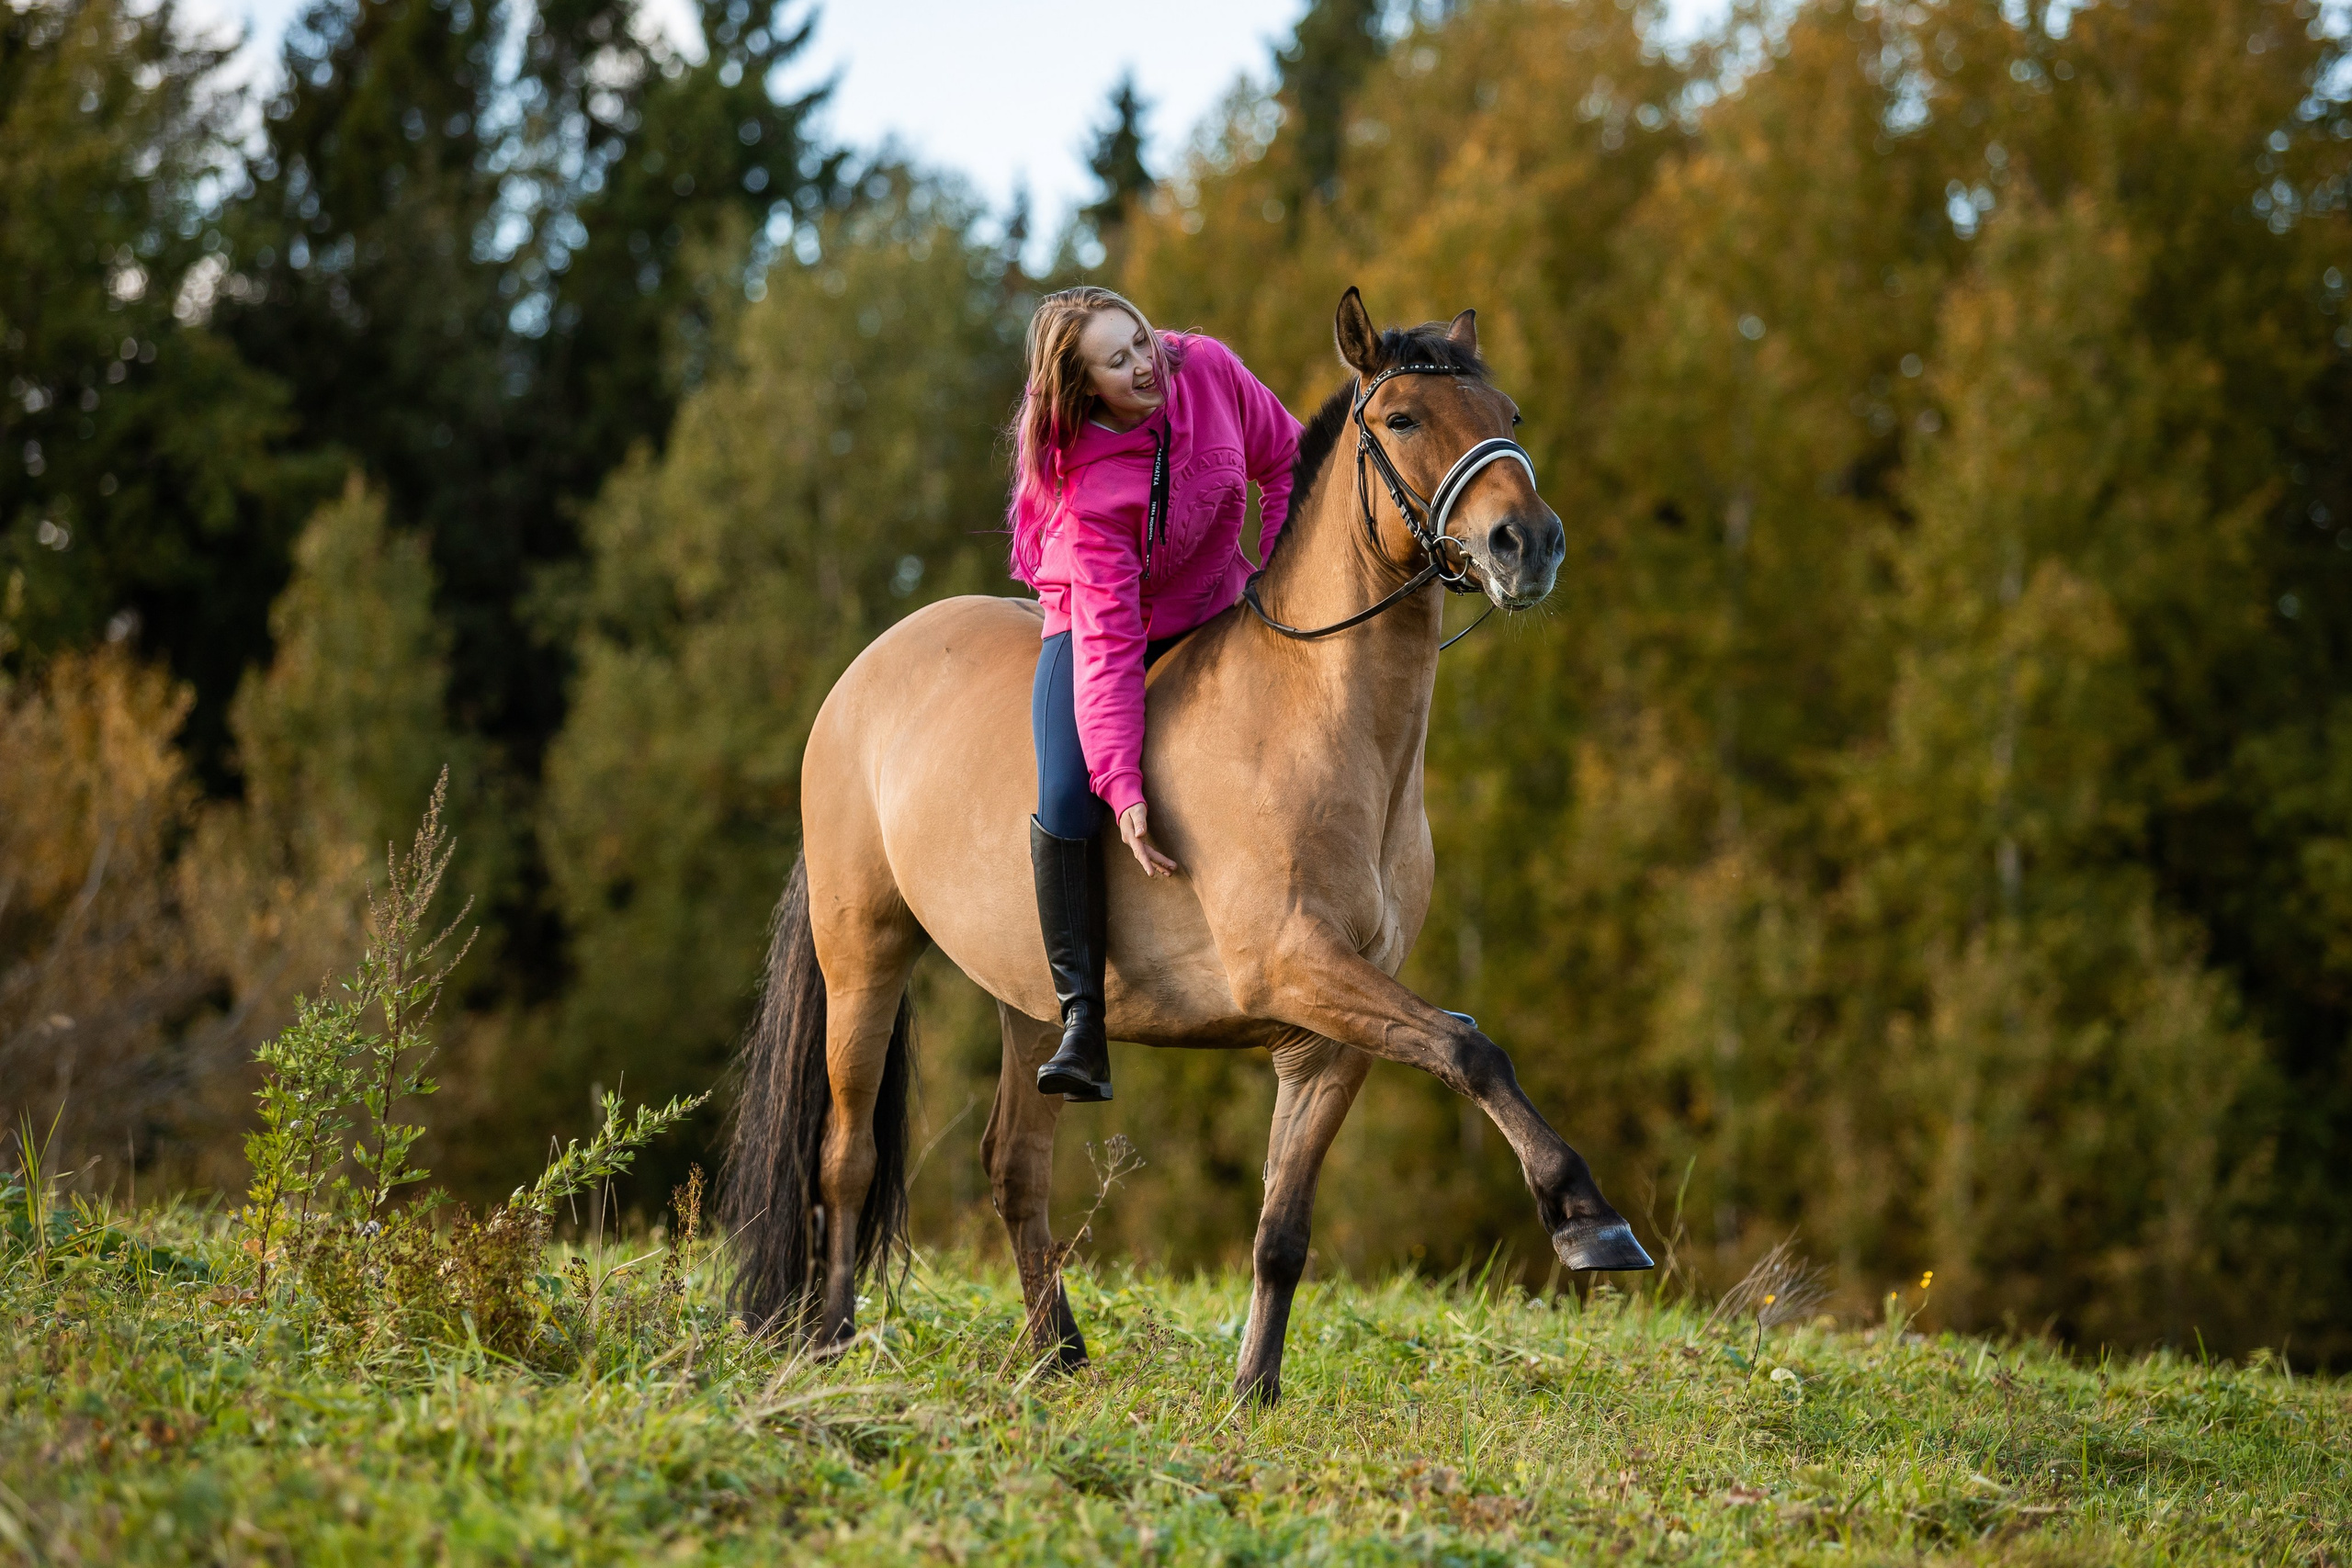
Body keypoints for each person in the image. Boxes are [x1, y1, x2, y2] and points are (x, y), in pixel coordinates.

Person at [1005, 287, 1303, 1102]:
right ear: (1084, 387)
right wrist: (1124, 785)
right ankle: (1081, 1019)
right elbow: (1107, 649)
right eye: (1119, 360)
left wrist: (1280, 577)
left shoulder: (1206, 368)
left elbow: (1287, 459)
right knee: (1068, 793)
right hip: (1101, 624)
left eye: (1140, 340)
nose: (1146, 364)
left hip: (1216, 600)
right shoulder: (1087, 487)